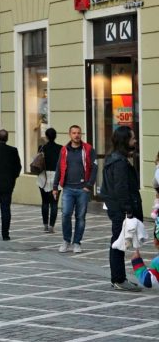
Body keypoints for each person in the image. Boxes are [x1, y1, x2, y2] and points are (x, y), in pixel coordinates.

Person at [101, 126, 143, 291]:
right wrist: (128, 210)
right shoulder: (119, 162)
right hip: (121, 210)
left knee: (118, 243)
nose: (135, 140)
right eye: (132, 138)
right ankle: (118, 279)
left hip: (117, 208)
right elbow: (121, 189)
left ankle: (118, 278)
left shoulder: (115, 158)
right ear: (125, 141)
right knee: (118, 244)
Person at [53, 124, 97, 254]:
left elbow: (94, 168)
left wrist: (89, 185)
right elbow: (58, 168)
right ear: (70, 134)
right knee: (66, 214)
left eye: (78, 133)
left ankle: (77, 242)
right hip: (67, 188)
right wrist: (55, 186)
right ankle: (66, 241)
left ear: (81, 134)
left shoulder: (88, 149)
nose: (76, 135)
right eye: (74, 133)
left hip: (82, 189)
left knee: (80, 217)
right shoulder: (64, 150)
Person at [36, 128, 62, 232]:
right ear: (55, 136)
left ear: (46, 136)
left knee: (45, 202)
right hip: (57, 176)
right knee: (54, 203)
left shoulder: (42, 148)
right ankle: (52, 226)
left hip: (44, 176)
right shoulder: (61, 148)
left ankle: (45, 225)